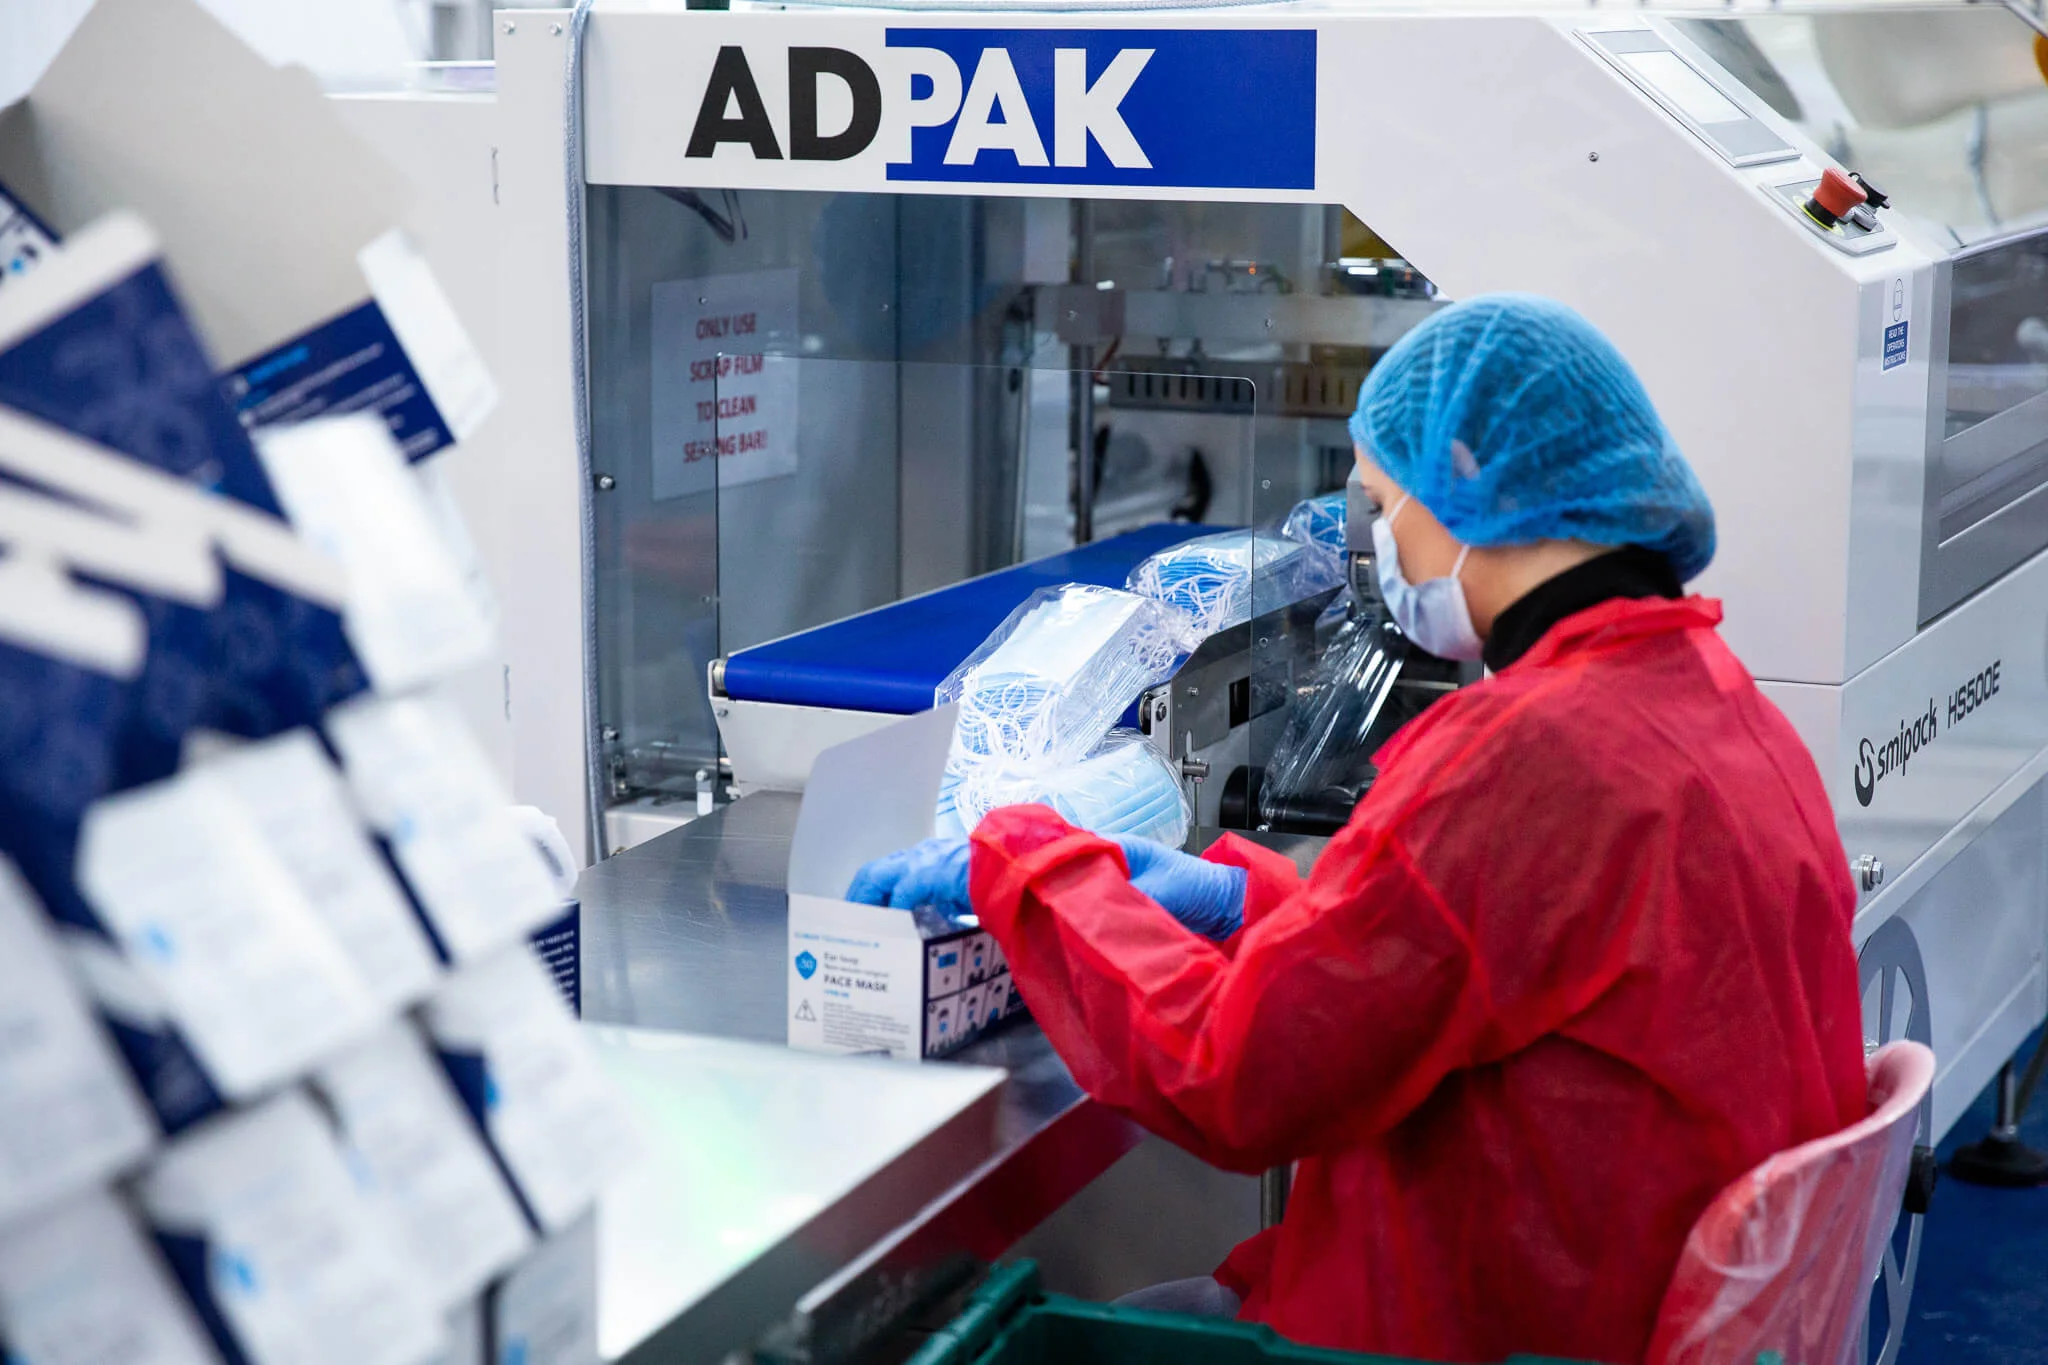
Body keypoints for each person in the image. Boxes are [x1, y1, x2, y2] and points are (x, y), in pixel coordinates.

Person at [847, 294, 1867, 1363]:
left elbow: (1235, 1078)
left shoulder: (1528, 754)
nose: (1380, 542)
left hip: (1485, 1326)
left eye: (1381, 503)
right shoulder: (1718, 702)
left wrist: (1032, 863)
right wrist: (1250, 902)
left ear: (1466, 483)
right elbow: (1481, 953)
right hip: (1593, 1289)